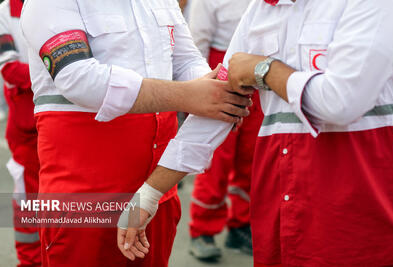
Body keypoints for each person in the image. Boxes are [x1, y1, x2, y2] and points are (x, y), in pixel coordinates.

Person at [119, 0, 393, 266]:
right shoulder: (262, 9)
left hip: (357, 195)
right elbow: (219, 103)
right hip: (279, 197)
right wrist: (147, 196)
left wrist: (263, 69)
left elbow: (342, 102)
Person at [20, 0, 251, 266]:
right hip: (85, 195)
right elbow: (78, 79)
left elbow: (186, 61)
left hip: (156, 192)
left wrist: (216, 94)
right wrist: (189, 96)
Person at [187, 0, 263, 260]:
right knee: (216, 158)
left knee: (252, 158)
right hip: (221, 71)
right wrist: (196, 92)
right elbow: (196, 42)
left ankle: (240, 225)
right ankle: (202, 229)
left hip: (261, 75)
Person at [0, 0, 41, 266]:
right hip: (27, 128)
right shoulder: (6, 10)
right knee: (29, 203)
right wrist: (61, 70)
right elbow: (9, 69)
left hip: (70, 124)